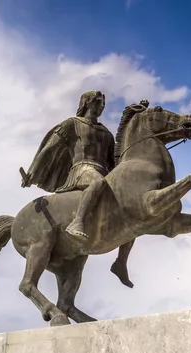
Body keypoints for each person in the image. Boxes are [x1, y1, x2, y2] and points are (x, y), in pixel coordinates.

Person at [21, 90, 134, 287]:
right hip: (81, 169)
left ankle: (121, 262)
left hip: (102, 172)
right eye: (98, 102)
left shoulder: (106, 133)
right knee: (98, 183)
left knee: (131, 209)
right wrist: (32, 172)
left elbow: (113, 162)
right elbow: (48, 149)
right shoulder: (72, 124)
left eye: (103, 103)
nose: (101, 106)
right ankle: (77, 222)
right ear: (87, 103)